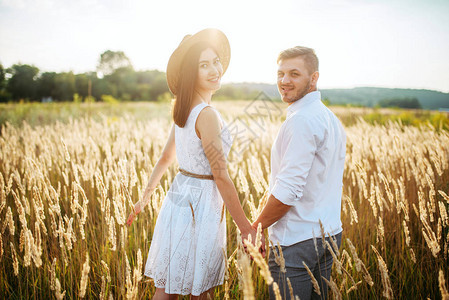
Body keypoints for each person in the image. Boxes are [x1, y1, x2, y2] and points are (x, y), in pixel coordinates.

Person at [126, 28, 263, 300]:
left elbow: (166, 158)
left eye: (216, 61)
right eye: (204, 65)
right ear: (192, 73)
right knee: (201, 292)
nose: (215, 69)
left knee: (166, 289)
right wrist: (246, 227)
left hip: (177, 200)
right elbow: (221, 177)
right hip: (199, 206)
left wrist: (145, 198)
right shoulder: (207, 114)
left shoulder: (184, 109)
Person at [252, 46, 346, 300]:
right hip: (328, 235)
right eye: (280, 73)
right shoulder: (330, 118)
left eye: (294, 74)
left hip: (298, 241)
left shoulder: (301, 120)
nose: (284, 81)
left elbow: (288, 190)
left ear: (313, 78)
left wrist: (256, 227)